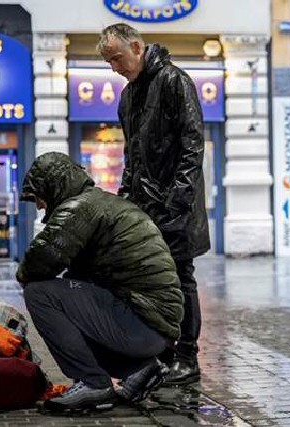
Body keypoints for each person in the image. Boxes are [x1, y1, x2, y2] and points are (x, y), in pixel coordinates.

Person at [17, 152, 184, 412]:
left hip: (141, 324)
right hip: (152, 327)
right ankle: (139, 370)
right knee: (71, 301)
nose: (39, 206)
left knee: (39, 293)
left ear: (54, 185)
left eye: (39, 196)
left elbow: (40, 261)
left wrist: (24, 276)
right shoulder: (101, 203)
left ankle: (93, 383)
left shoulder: (80, 208)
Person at [98, 23, 209, 385]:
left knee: (180, 277)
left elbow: (193, 142)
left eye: (116, 58)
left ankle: (187, 357)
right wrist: (125, 198)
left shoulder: (175, 81)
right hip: (145, 207)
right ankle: (160, 353)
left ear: (136, 47)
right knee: (149, 281)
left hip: (177, 207)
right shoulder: (129, 96)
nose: (114, 67)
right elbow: (132, 155)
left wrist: (178, 197)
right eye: (109, 62)